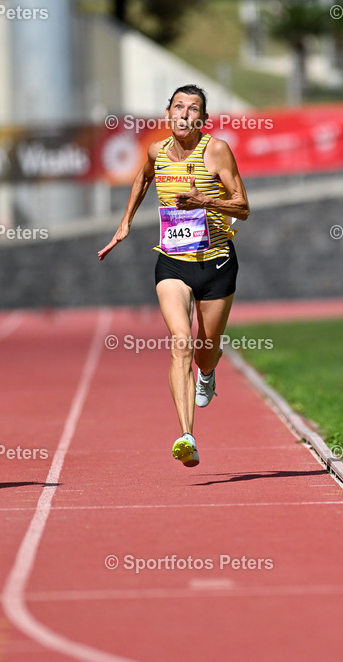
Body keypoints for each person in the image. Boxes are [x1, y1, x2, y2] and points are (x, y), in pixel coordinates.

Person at [98, 84, 249, 468]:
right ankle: (187, 435)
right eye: (178, 106)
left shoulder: (216, 151)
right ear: (167, 114)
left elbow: (243, 206)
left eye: (193, 108)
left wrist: (205, 200)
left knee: (206, 349)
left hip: (216, 264)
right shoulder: (156, 151)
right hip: (173, 263)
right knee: (181, 341)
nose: (184, 113)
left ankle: (209, 373)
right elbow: (143, 178)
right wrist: (124, 223)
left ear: (202, 118)